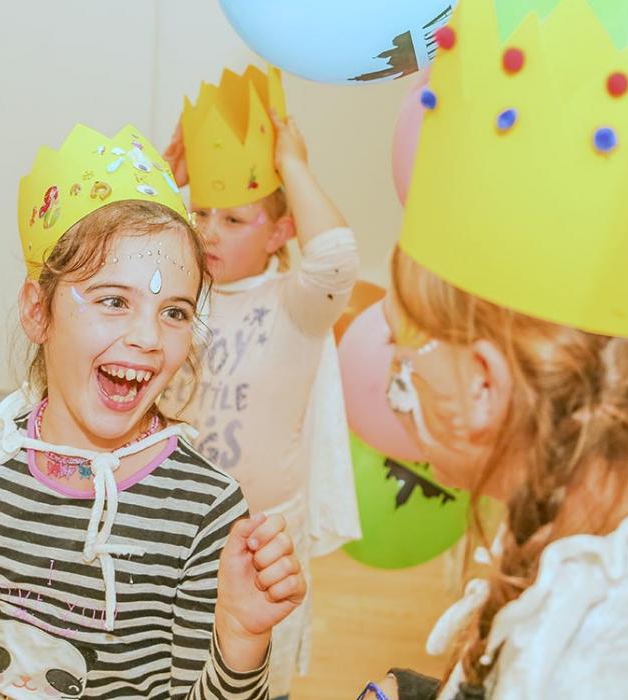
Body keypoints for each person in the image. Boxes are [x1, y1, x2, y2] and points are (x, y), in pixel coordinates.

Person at [0, 123, 306, 699]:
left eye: (176, 312)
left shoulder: (203, 510)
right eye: (114, 301)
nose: (148, 338)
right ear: (39, 312)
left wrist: (238, 639)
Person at [361, 0, 628, 697]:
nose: (396, 380)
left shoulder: (584, 661)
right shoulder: (586, 550)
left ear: (484, 385)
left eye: (405, 355)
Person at [162, 65, 361, 699]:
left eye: (235, 220)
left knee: (249, 673)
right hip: (171, 521)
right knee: (168, 666)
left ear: (280, 232)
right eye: (201, 214)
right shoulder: (171, 294)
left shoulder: (295, 305)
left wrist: (292, 164)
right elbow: (123, 250)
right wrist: (166, 181)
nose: (208, 231)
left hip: (259, 534)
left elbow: (334, 256)